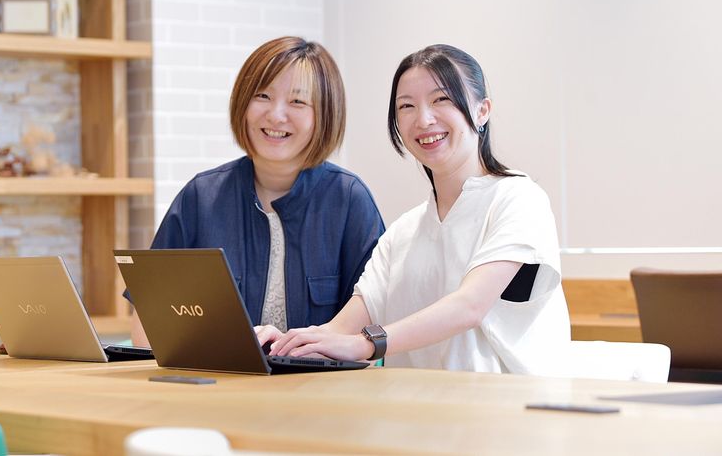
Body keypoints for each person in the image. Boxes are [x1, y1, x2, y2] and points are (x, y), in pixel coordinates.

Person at [258, 44, 570, 375]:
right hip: (418, 402)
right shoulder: (403, 232)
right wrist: (282, 343)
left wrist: (368, 344)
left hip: (509, 401)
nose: (423, 119)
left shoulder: (518, 198)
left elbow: (470, 306)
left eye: (442, 99)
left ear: (482, 111)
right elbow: (339, 330)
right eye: (406, 106)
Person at [130, 36, 385, 347]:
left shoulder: (349, 201)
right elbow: (147, 317)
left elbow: (376, 321)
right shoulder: (201, 197)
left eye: (297, 101)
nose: (276, 115)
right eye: (263, 95)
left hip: (319, 377)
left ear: (325, 115)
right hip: (218, 377)